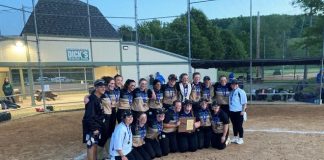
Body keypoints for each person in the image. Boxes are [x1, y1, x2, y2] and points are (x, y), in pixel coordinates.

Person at [82, 79, 106, 160]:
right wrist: (94, 128)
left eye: (104, 86)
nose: (103, 88)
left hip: (97, 126)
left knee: (94, 146)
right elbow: (89, 117)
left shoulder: (98, 97)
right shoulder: (92, 100)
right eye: (101, 87)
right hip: (92, 127)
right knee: (91, 147)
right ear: (96, 88)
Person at [229, 79, 247, 145]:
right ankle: (235, 137)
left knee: (239, 125)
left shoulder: (241, 92)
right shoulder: (231, 92)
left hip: (239, 111)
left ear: (237, 84)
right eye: (232, 84)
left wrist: (243, 111)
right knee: (234, 125)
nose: (233, 85)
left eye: (235, 84)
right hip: (232, 111)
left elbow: (244, 103)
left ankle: (241, 138)